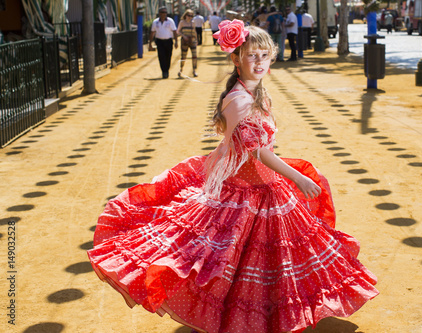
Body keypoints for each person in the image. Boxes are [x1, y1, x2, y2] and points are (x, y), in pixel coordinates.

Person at [87, 20, 378, 333]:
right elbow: (257, 152)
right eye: (251, 55)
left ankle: (264, 317)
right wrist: (298, 176)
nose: (258, 62)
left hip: (262, 185)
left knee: (265, 257)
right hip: (247, 189)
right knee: (232, 257)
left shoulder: (254, 93)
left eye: (264, 55)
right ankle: (246, 319)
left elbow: (260, 147)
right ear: (236, 58)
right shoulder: (239, 99)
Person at [149, 7, 178, 79]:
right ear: (159, 13)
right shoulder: (155, 22)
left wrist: (176, 41)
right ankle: (164, 71)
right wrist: (150, 43)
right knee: (161, 56)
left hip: (168, 41)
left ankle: (167, 70)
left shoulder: (170, 21)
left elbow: (174, 31)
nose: (164, 14)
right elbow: (152, 32)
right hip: (159, 41)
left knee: (168, 56)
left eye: (165, 12)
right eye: (162, 12)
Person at [177, 9, 198, 77]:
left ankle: (194, 71)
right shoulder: (182, 22)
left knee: (194, 56)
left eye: (191, 16)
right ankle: (181, 69)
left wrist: (196, 39)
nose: (190, 17)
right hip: (185, 41)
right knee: (183, 56)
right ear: (185, 15)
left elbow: (194, 31)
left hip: (192, 40)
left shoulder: (193, 22)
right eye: (189, 15)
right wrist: (183, 36)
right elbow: (178, 31)